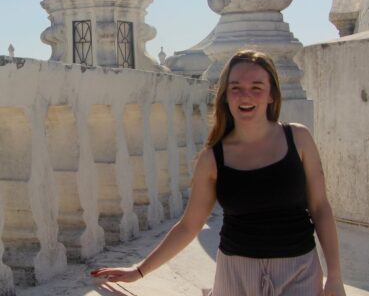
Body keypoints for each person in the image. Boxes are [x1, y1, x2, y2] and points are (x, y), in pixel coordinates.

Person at [91, 49, 346, 296]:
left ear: (271, 95)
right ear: (225, 95)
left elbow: (320, 207)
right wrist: (139, 271)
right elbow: (189, 226)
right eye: (236, 88)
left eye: (256, 87)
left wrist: (334, 277)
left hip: (299, 270)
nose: (246, 96)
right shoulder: (212, 159)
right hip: (236, 275)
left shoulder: (299, 139)